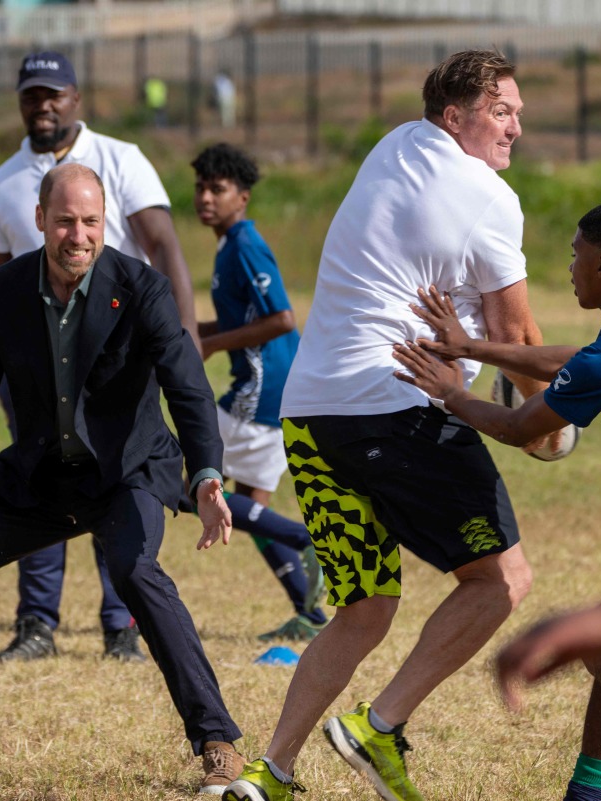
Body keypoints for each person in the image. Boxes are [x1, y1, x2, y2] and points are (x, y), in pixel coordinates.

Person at [225, 49, 546, 801]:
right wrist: (542, 427)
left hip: (308, 413)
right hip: (392, 406)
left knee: (365, 604)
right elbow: (520, 335)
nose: (516, 128)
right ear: (454, 116)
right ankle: (380, 723)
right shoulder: (487, 196)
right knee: (502, 579)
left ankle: (269, 770)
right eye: (502, 112)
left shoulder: (394, 144)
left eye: (519, 112)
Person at [0, 163, 245, 795]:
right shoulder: (0, 294)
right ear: (40, 220)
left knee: (134, 571)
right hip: (40, 479)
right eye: (65, 220)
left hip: (128, 475)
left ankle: (218, 742)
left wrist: (206, 474)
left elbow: (187, 384)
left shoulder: (142, 288)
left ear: (105, 223)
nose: (78, 235)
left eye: (91, 221)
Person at [393, 200, 601, 801]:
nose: (568, 265)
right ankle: (588, 793)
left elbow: (519, 428)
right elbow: (578, 363)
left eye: (575, 253)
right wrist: (473, 348)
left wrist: (453, 396)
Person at [0, 50, 199, 663]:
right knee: (38, 481)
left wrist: (186, 338)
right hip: (36, 371)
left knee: (117, 482)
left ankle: (120, 624)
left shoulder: (122, 160)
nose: (43, 105)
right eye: (31, 95)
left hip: (116, 363)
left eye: (55, 94)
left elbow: (163, 247)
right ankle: (37, 624)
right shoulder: (0, 184)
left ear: (75, 97)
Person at [191, 142, 327, 642]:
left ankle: (306, 538)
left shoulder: (246, 245)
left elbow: (281, 319)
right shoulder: (228, 245)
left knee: (192, 483)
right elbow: (236, 320)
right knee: (250, 507)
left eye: (218, 189)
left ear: (242, 197)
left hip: (262, 388)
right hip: (273, 388)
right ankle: (310, 615)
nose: (206, 197)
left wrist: (209, 344)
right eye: (201, 187)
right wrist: (193, 333)